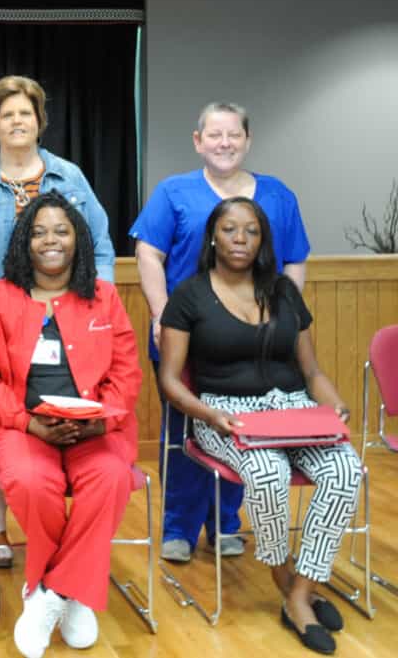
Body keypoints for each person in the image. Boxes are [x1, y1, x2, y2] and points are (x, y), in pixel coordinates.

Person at [158, 197, 361, 655]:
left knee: (345, 471)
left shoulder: (284, 292)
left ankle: (300, 590)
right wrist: (210, 415)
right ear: (214, 235)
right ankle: (284, 577)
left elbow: (312, 373)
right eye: (230, 230)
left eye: (251, 231)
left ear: (262, 239)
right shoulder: (189, 296)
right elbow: (170, 381)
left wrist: (335, 406)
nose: (241, 240)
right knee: (267, 474)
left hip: (293, 409)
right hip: (223, 414)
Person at [0, 76, 116, 568]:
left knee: (66, 424)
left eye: (25, 113)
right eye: (7, 114)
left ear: (40, 121)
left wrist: (100, 309)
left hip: (67, 332)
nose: (17, 121)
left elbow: (100, 246)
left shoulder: (70, 179)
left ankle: (62, 526)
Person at [129, 101, 311, 563]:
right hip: (185, 336)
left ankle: (227, 524)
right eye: (215, 135)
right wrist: (160, 313)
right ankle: (179, 529)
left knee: (247, 428)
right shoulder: (174, 192)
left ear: (248, 140)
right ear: (198, 141)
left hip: (255, 342)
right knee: (184, 430)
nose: (225, 143)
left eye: (234, 135)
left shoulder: (278, 196)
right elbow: (148, 254)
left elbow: (294, 260)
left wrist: (280, 320)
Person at [0, 193, 141, 657]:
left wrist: (99, 424)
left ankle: (53, 594)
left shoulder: (103, 297)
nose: (51, 240)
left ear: (78, 240)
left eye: (61, 231)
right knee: (27, 479)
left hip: (93, 429)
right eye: (39, 232)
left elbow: (126, 372)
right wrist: (28, 422)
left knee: (110, 477)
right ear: (24, 242)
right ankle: (75, 590)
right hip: (23, 428)